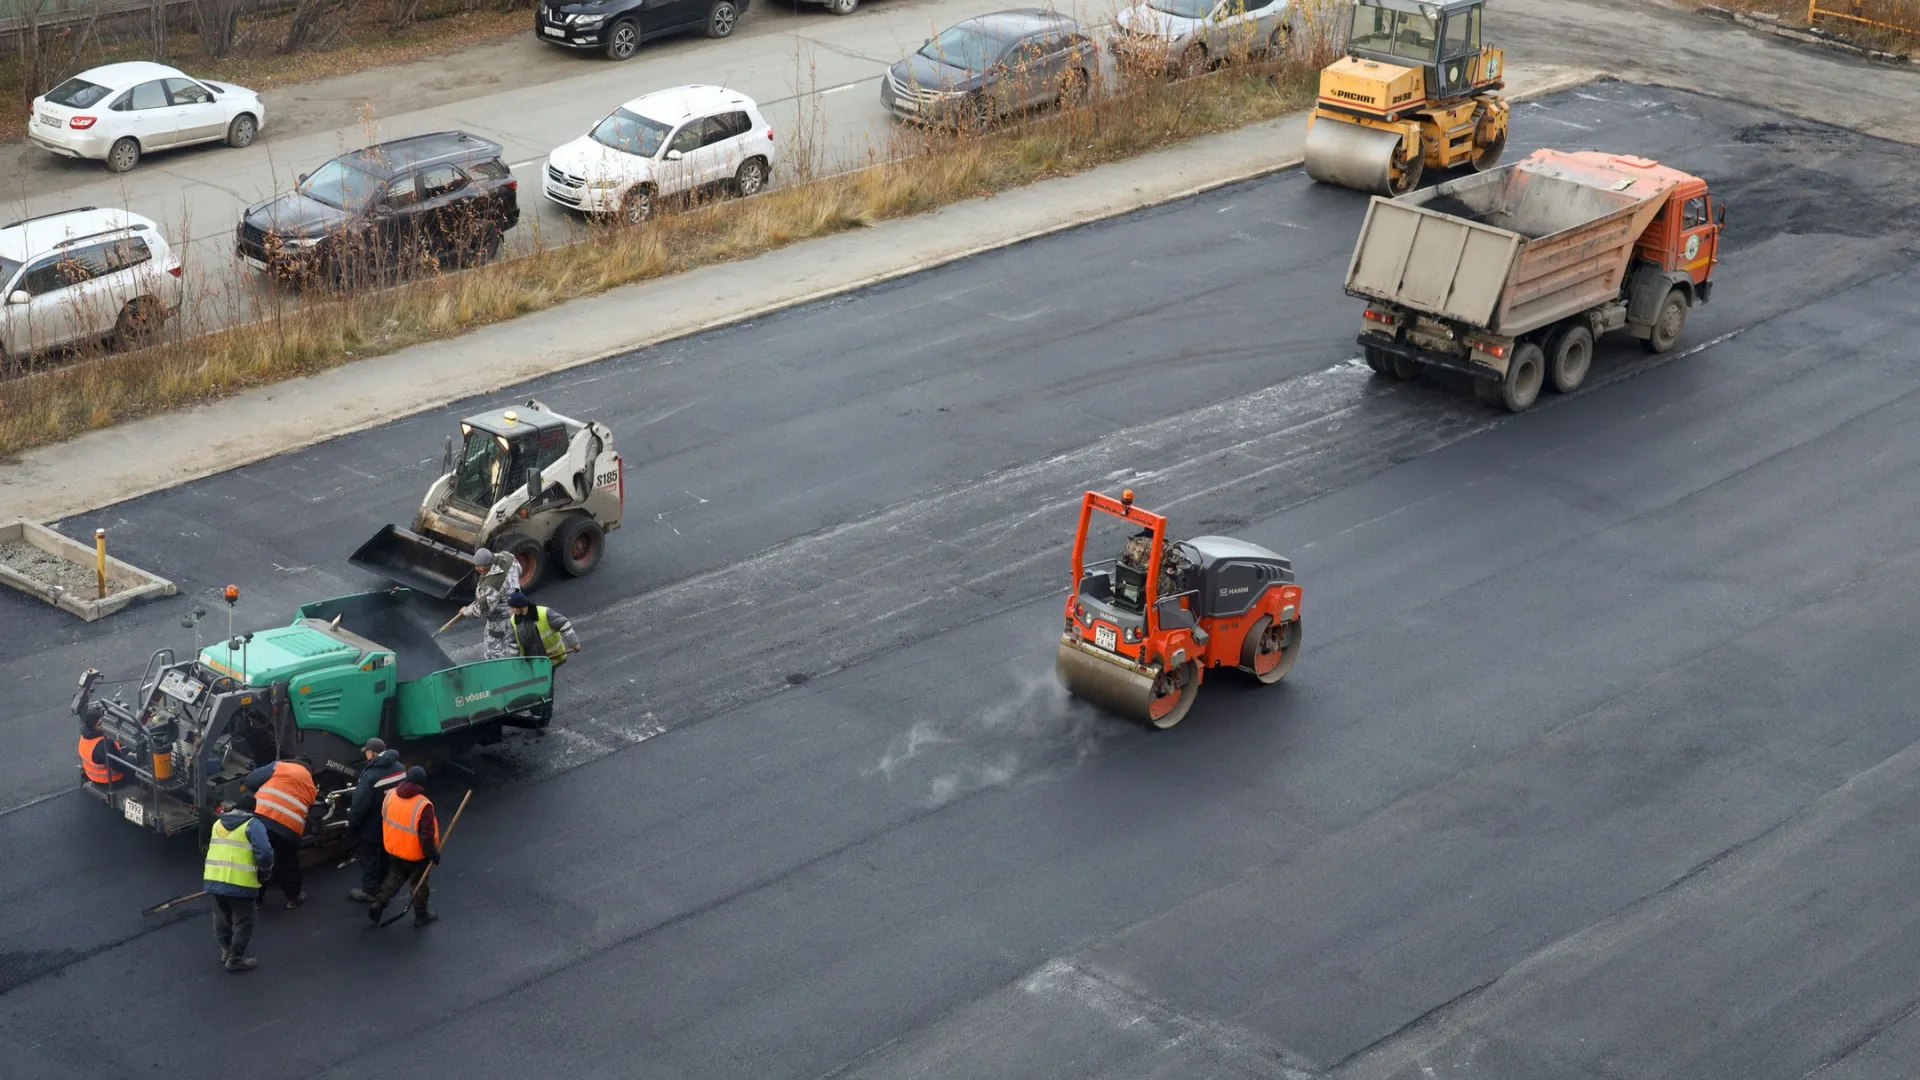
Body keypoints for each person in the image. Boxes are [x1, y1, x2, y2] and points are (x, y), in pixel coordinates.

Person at [203, 793, 274, 973]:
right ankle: (235, 959)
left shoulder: (218, 823)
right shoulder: (253, 825)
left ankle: (226, 950)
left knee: (221, 918)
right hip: (240, 884)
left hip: (214, 879)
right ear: (253, 809)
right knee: (244, 921)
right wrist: (265, 873)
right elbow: (265, 853)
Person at [240, 757, 317, 909]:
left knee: (257, 858)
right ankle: (293, 898)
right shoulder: (312, 786)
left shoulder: (281, 766)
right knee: (288, 861)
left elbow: (250, 780)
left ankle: (255, 899)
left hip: (263, 819)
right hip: (289, 829)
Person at [368, 766, 440, 928]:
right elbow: (426, 836)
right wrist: (433, 854)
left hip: (395, 848)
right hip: (416, 854)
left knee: (394, 877)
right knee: (418, 884)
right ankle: (421, 915)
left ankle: (378, 904)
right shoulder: (423, 805)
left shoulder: (391, 795)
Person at [345, 738, 406, 902]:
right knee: (386, 854)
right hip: (393, 821)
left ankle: (370, 891)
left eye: (366, 752)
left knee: (369, 857)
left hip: (373, 825)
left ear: (372, 753)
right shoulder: (400, 768)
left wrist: (353, 825)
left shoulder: (370, 775)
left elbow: (360, 806)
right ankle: (384, 882)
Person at [508, 590, 581, 725]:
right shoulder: (514, 621)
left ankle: (545, 716)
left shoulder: (544, 613)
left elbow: (564, 624)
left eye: (512, 608)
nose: (511, 611)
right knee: (532, 687)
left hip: (548, 660)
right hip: (530, 662)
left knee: (546, 688)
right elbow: (513, 643)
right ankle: (535, 712)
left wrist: (574, 643)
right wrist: (512, 663)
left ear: (520, 607)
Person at [459, 547, 522, 660]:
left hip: (500, 620)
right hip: (517, 608)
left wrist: (466, 611)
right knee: (513, 642)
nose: (476, 568)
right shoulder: (508, 557)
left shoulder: (491, 585)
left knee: (493, 650)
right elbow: (519, 570)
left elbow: (482, 610)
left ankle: (499, 670)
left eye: (480, 566)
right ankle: (515, 660)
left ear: (488, 564)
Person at [78, 715, 126, 789]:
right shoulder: (104, 745)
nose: (103, 725)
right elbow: (120, 766)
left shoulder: (84, 736)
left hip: (91, 775)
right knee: (136, 762)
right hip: (110, 780)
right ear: (94, 727)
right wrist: (132, 757)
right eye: (100, 724)